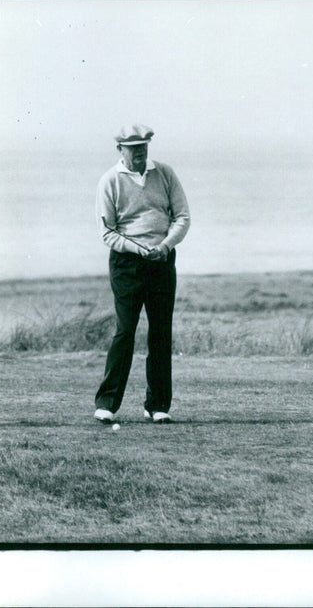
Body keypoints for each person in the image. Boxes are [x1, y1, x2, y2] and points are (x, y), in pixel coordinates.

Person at [94, 124, 190, 424]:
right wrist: (138, 249)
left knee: (161, 333)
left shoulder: (164, 173)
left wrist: (164, 246)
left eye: (144, 147)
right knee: (125, 330)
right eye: (133, 148)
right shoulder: (110, 180)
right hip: (127, 264)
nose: (139, 153)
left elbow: (182, 217)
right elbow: (107, 231)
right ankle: (107, 403)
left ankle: (157, 405)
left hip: (162, 260)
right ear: (120, 149)